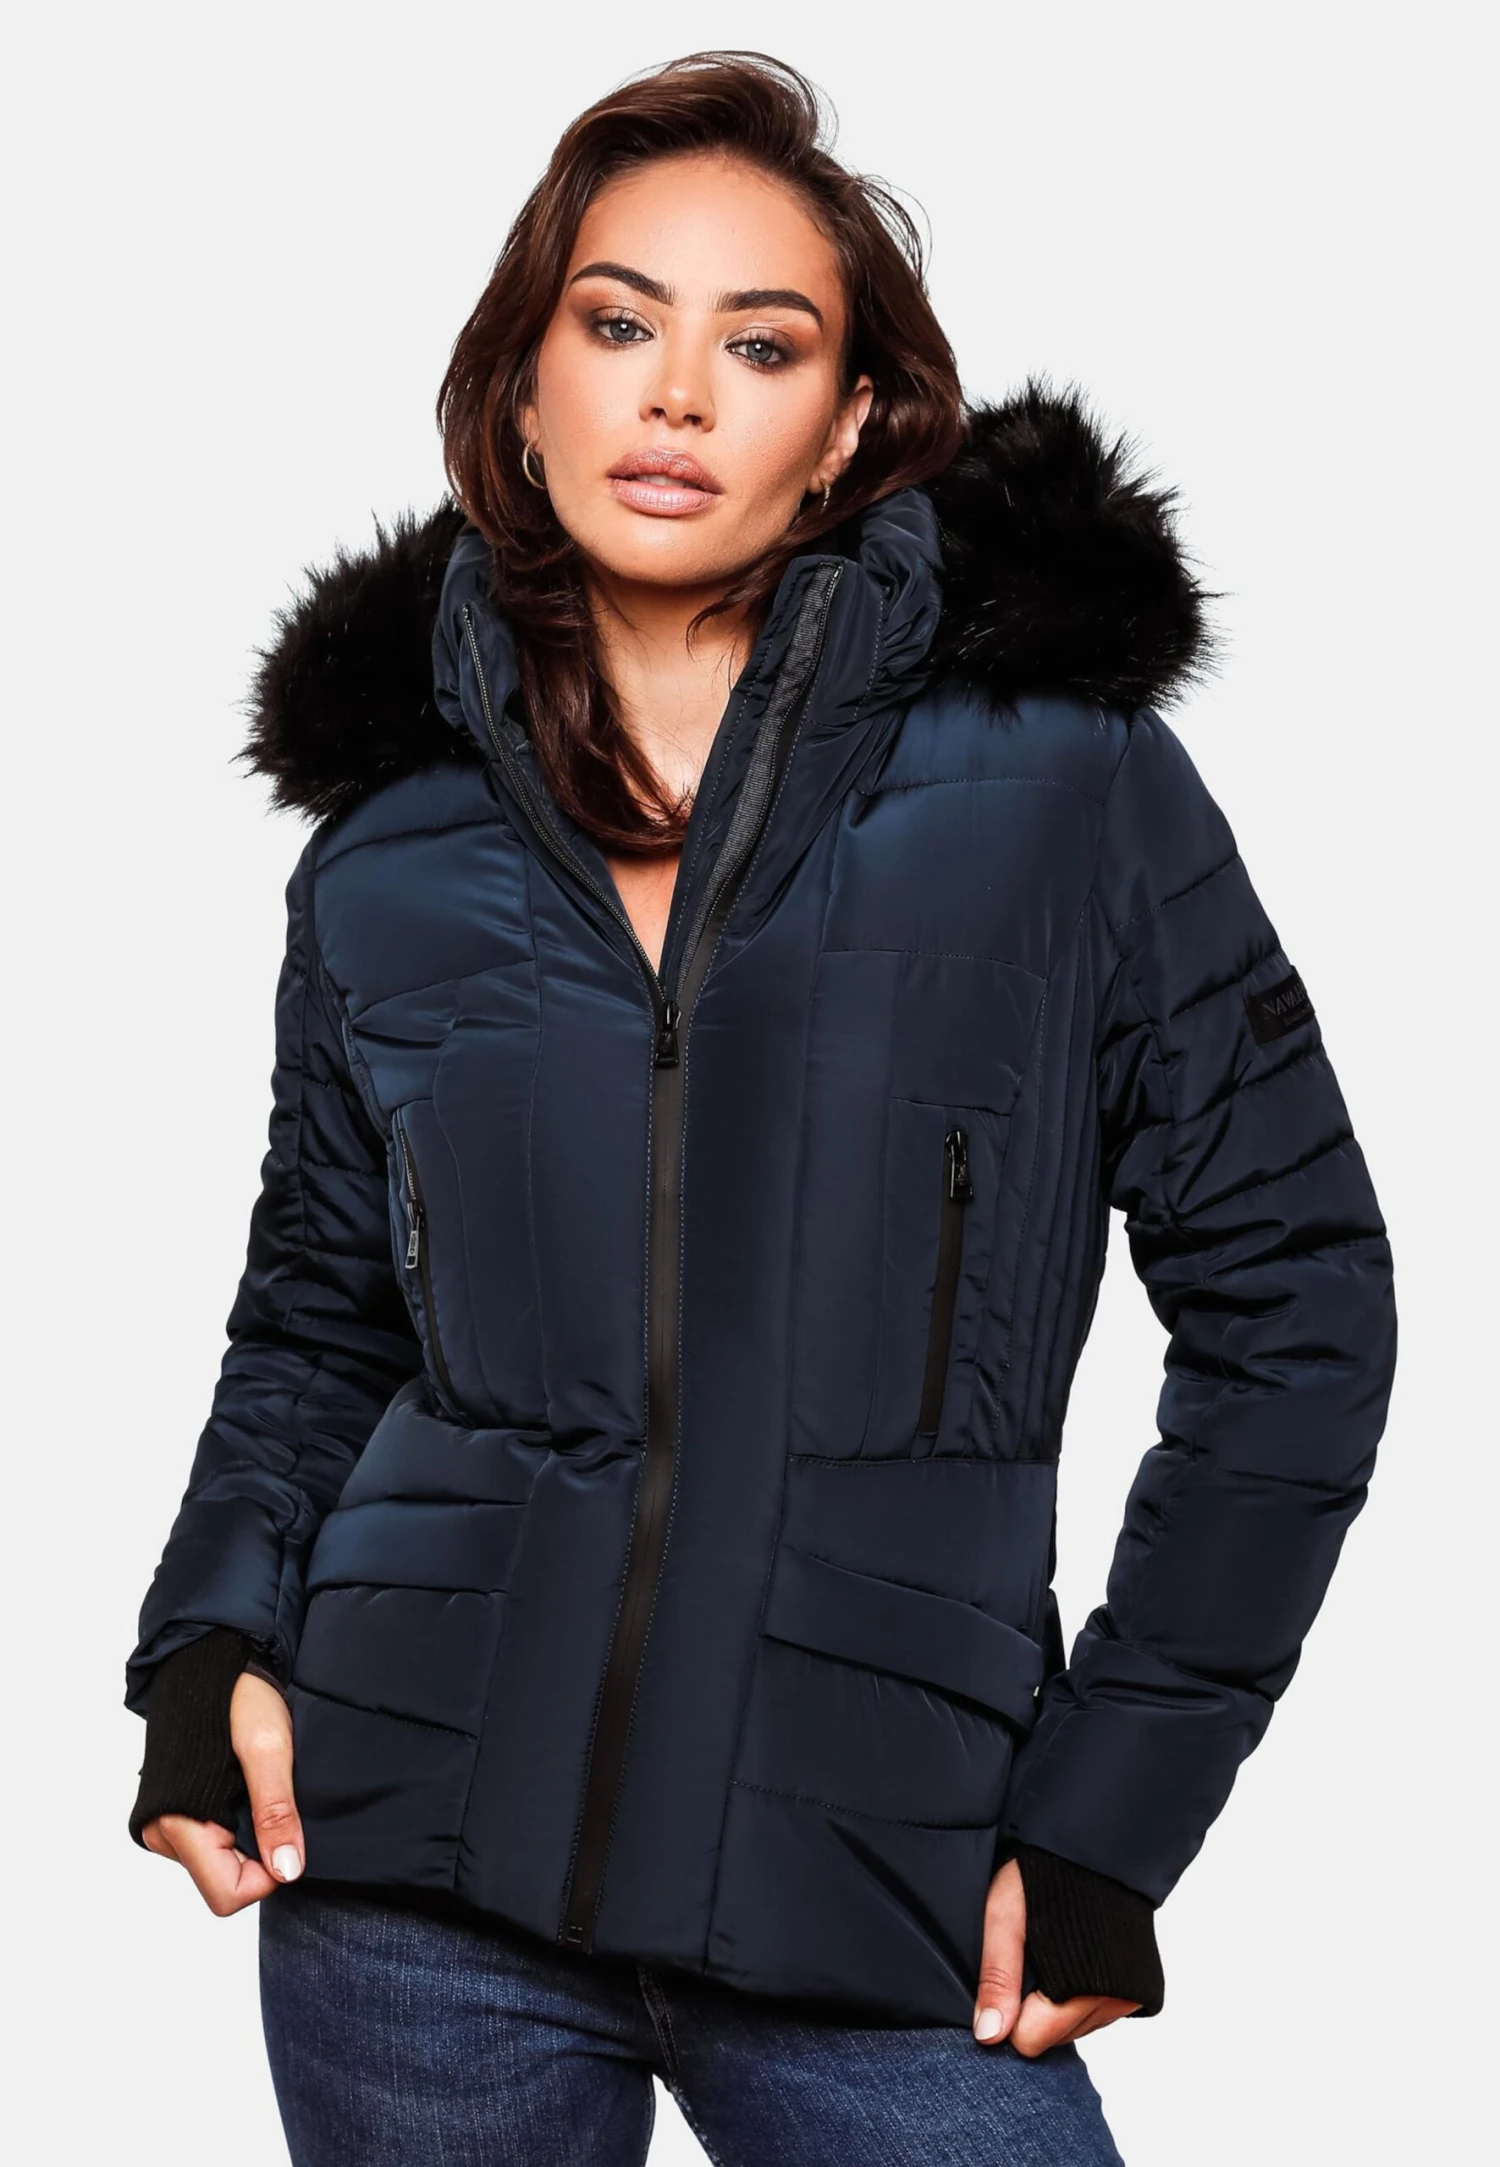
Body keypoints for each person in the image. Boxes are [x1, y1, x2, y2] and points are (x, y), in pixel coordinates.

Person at [125, 47, 1398, 2167]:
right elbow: (319, 1319)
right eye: (618, 323)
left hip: (885, 1897)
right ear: (523, 393)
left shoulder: (1065, 796)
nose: (677, 396)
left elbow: (1300, 1305)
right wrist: (209, 1638)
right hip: (405, 1888)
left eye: (762, 344)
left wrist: (1116, 1812)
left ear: (854, 426)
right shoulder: (388, 854)